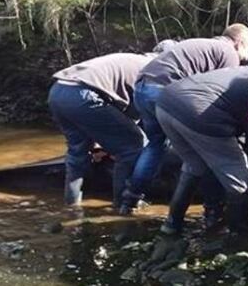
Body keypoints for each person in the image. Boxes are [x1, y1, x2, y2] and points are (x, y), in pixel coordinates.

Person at [120, 25, 248, 214]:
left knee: (155, 145)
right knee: (204, 151)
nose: (245, 58)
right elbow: (219, 93)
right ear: (239, 43)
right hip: (165, 91)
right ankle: (213, 209)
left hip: (142, 87)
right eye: (247, 51)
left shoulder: (203, 44)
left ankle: (130, 199)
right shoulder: (228, 52)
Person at [47, 43, 175, 208]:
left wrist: (104, 144)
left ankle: (72, 204)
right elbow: (136, 116)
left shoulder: (132, 59)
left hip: (58, 91)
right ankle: (123, 203)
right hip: (85, 95)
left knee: (77, 153)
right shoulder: (155, 70)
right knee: (133, 145)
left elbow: (121, 118)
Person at [155, 64, 248, 236]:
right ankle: (240, 233)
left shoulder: (237, 72)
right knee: (238, 178)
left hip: (165, 104)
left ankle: (171, 224)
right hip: (199, 113)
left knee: (194, 166)